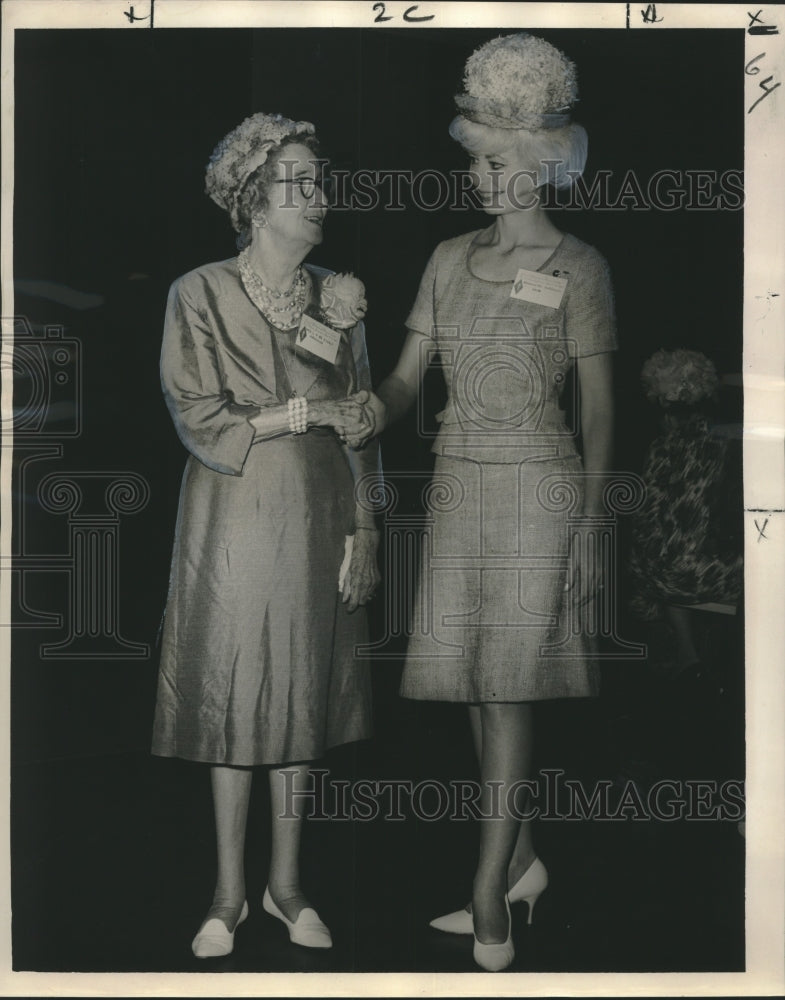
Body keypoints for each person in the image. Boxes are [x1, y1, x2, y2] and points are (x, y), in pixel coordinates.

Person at [352, 34, 616, 971]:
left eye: (493, 161)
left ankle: (483, 893)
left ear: (540, 162)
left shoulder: (580, 267)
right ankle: (525, 859)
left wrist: (589, 527)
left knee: (506, 692)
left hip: (540, 492)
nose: (477, 175)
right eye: (472, 158)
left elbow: (596, 412)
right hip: (459, 484)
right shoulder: (443, 257)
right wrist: (365, 410)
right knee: (471, 685)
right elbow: (402, 380)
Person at [151, 112, 381, 958]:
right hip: (234, 515)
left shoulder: (339, 298)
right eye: (299, 182)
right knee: (231, 697)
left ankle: (287, 887)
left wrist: (367, 526)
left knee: (299, 697)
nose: (318, 197)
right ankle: (226, 894)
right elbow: (199, 415)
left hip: (323, 519)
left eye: (319, 182)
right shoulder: (198, 291)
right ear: (253, 200)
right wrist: (300, 413)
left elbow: (361, 424)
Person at [628, 348, 743, 678]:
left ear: (662, 404)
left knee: (651, 563)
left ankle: (686, 653)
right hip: (734, 568)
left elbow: (646, 517)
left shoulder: (663, 447)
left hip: (684, 577)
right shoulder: (732, 437)